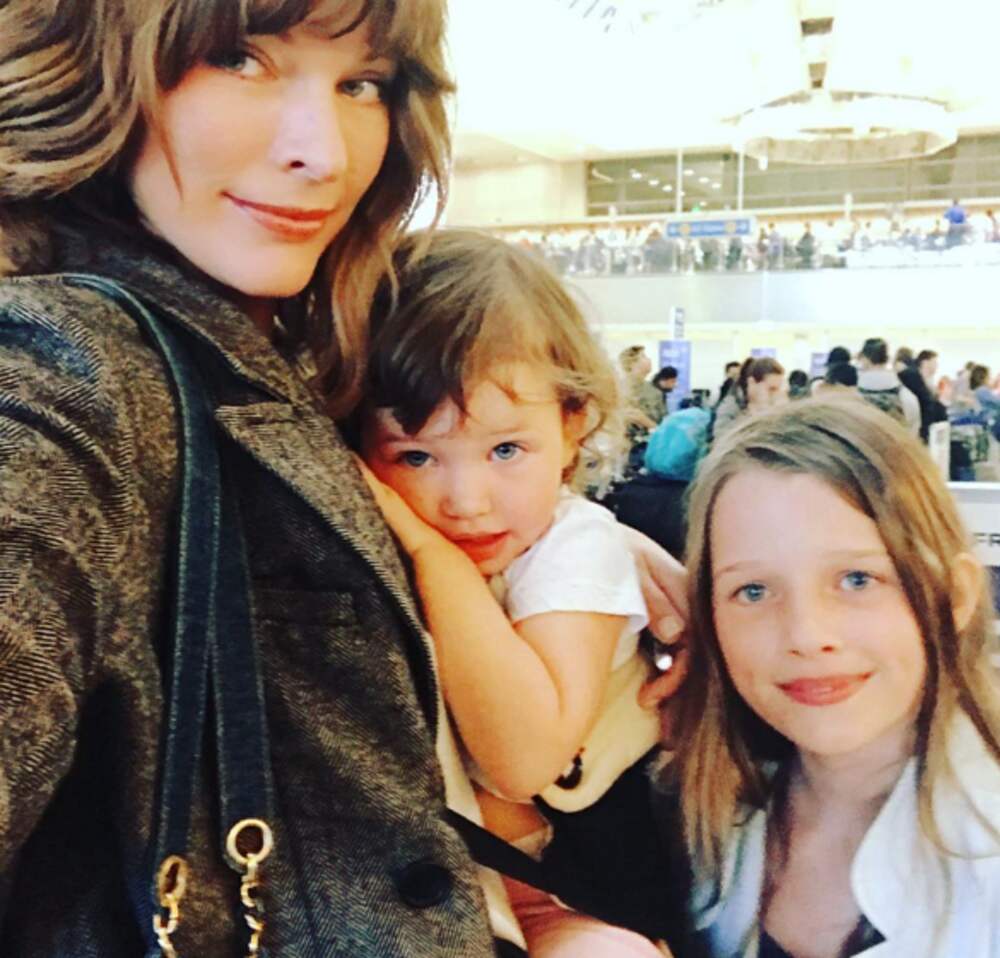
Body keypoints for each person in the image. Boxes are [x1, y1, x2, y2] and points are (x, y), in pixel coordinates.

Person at [0, 3, 690, 953]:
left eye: (363, 83)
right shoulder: (60, 364)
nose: (324, 153)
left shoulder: (293, 344)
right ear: (98, 65)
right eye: (240, 59)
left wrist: (583, 553)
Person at [357, 230, 681, 957]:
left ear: (573, 427)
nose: (466, 501)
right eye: (416, 456)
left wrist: (434, 559)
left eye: (506, 449)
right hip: (440, 895)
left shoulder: (578, 546)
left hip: (571, 893)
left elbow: (525, 759)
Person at [670, 397, 1000, 957]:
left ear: (954, 595)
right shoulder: (684, 813)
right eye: (753, 591)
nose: (806, 634)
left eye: (856, 580)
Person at [856, 337, 920, 434]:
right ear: (887, 359)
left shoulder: (852, 394)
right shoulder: (906, 396)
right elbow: (912, 430)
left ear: (864, 358)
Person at [712, 356, 786, 440]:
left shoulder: (776, 409)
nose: (776, 396)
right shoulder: (730, 409)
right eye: (771, 389)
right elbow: (722, 441)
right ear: (752, 383)